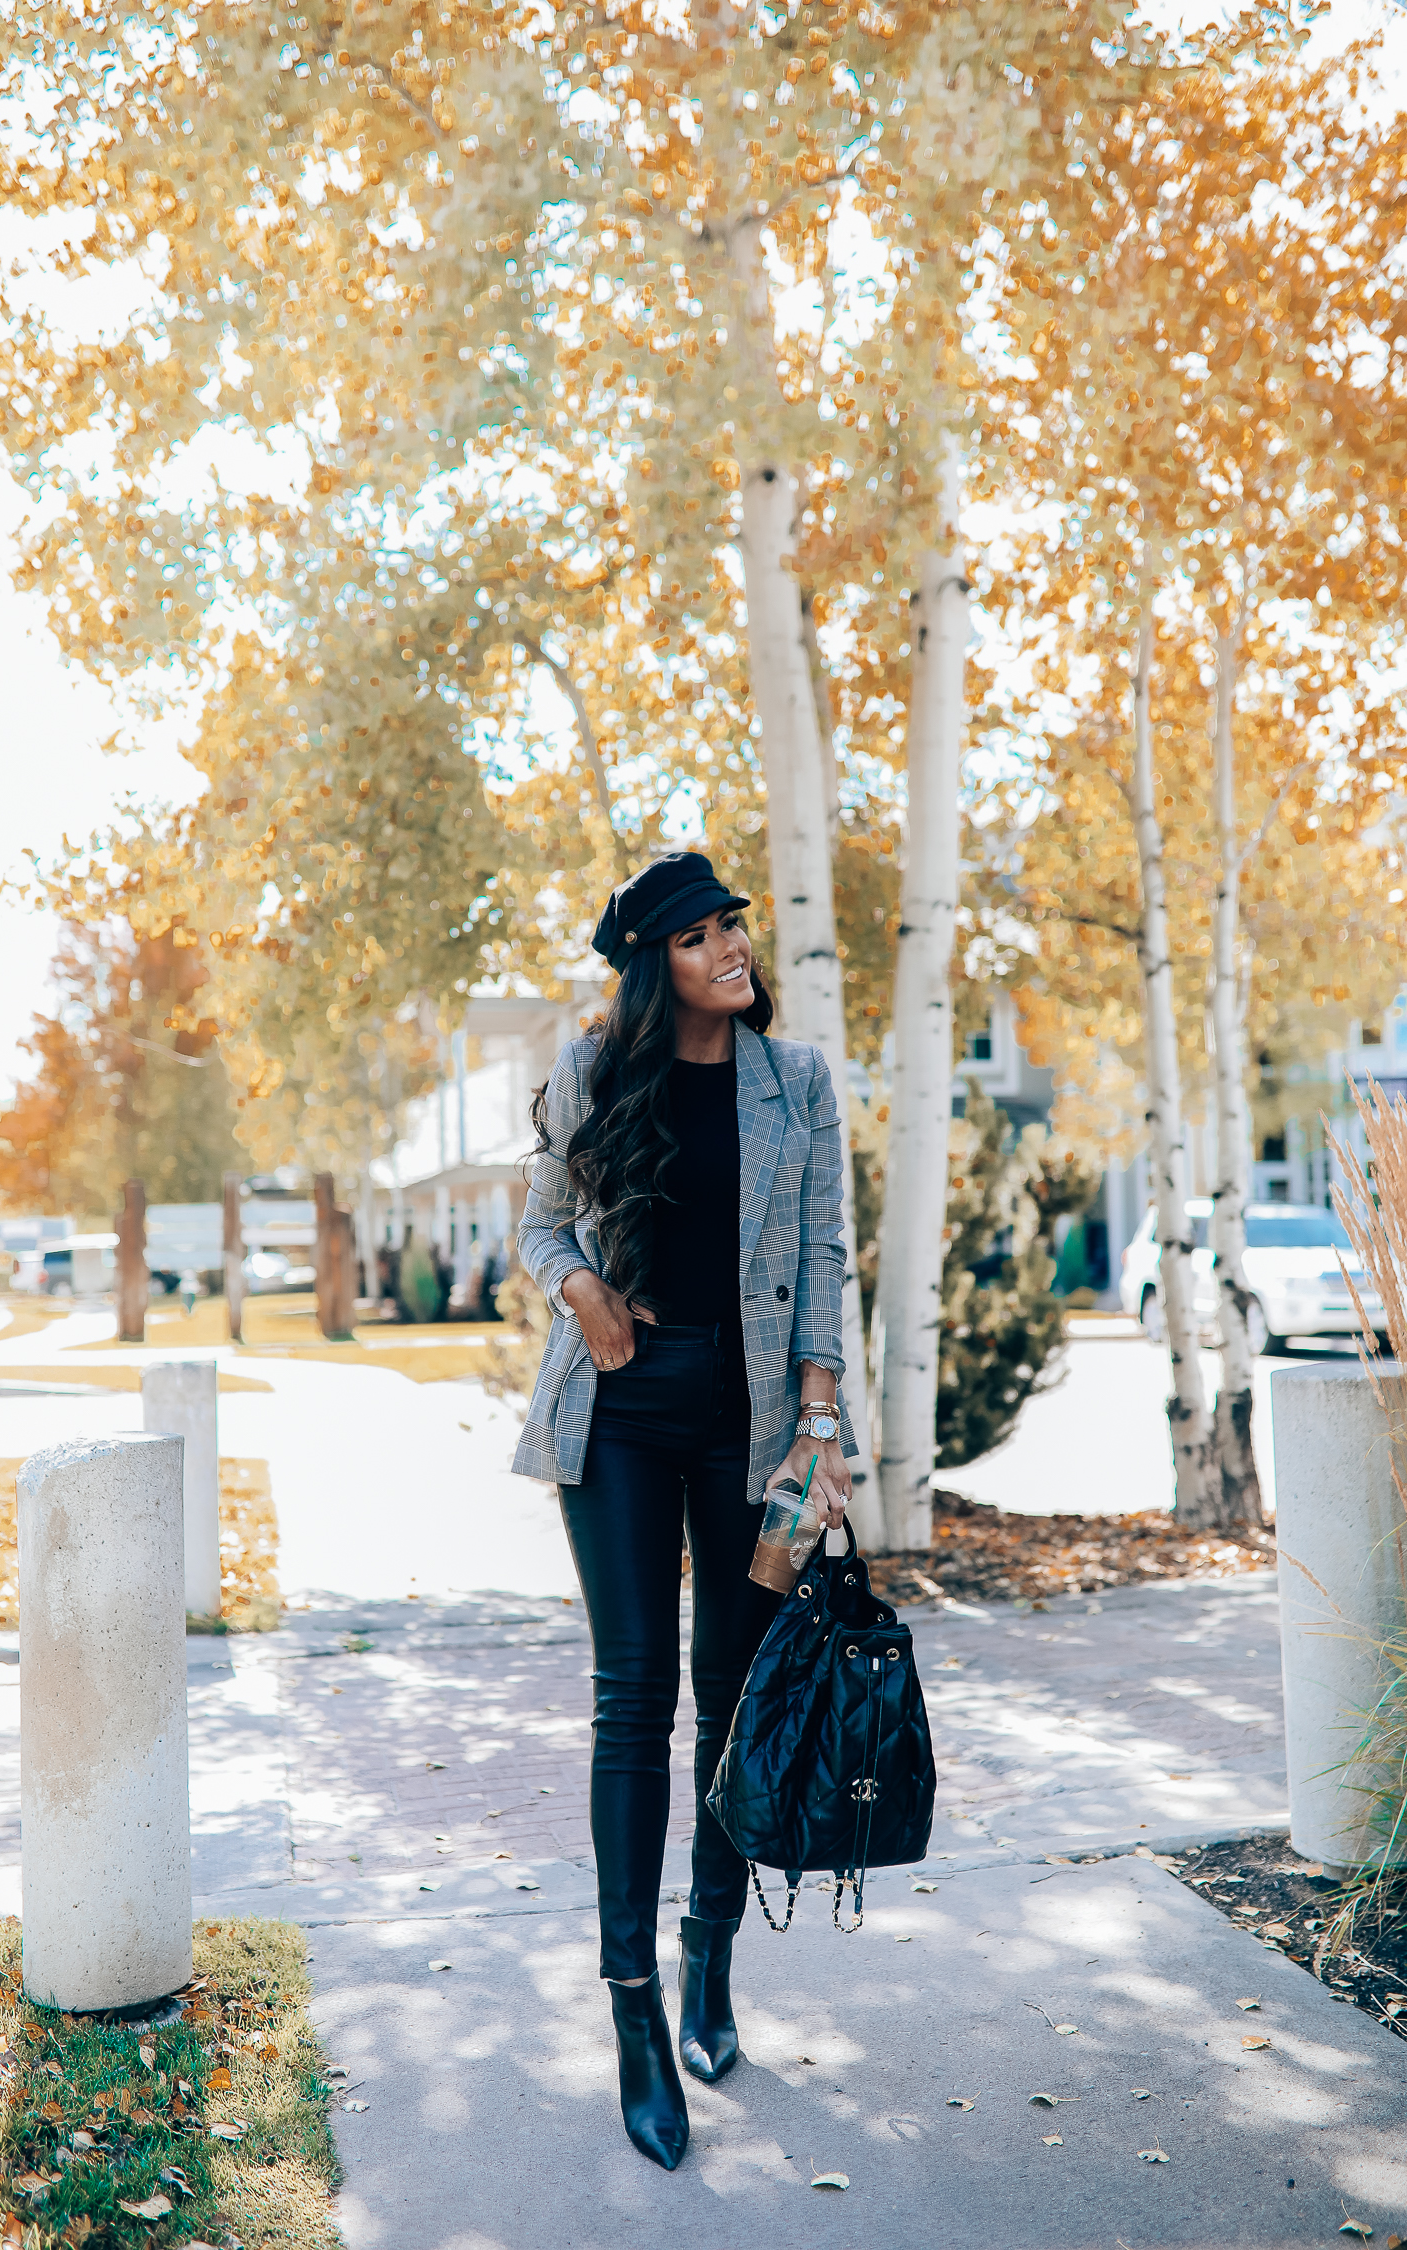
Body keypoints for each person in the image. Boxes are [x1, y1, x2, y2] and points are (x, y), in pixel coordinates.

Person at [513, 850, 858, 2170]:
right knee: (632, 1693)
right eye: (706, 932)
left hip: (754, 1422)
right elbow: (541, 1228)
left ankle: (709, 1958)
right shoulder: (594, 1071)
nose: (732, 946)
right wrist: (582, 1293)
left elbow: (824, 1252)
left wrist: (819, 1428)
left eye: (736, 926)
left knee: (738, 1687)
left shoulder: (798, 1081)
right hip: (617, 1413)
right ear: (658, 957)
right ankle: (635, 2013)